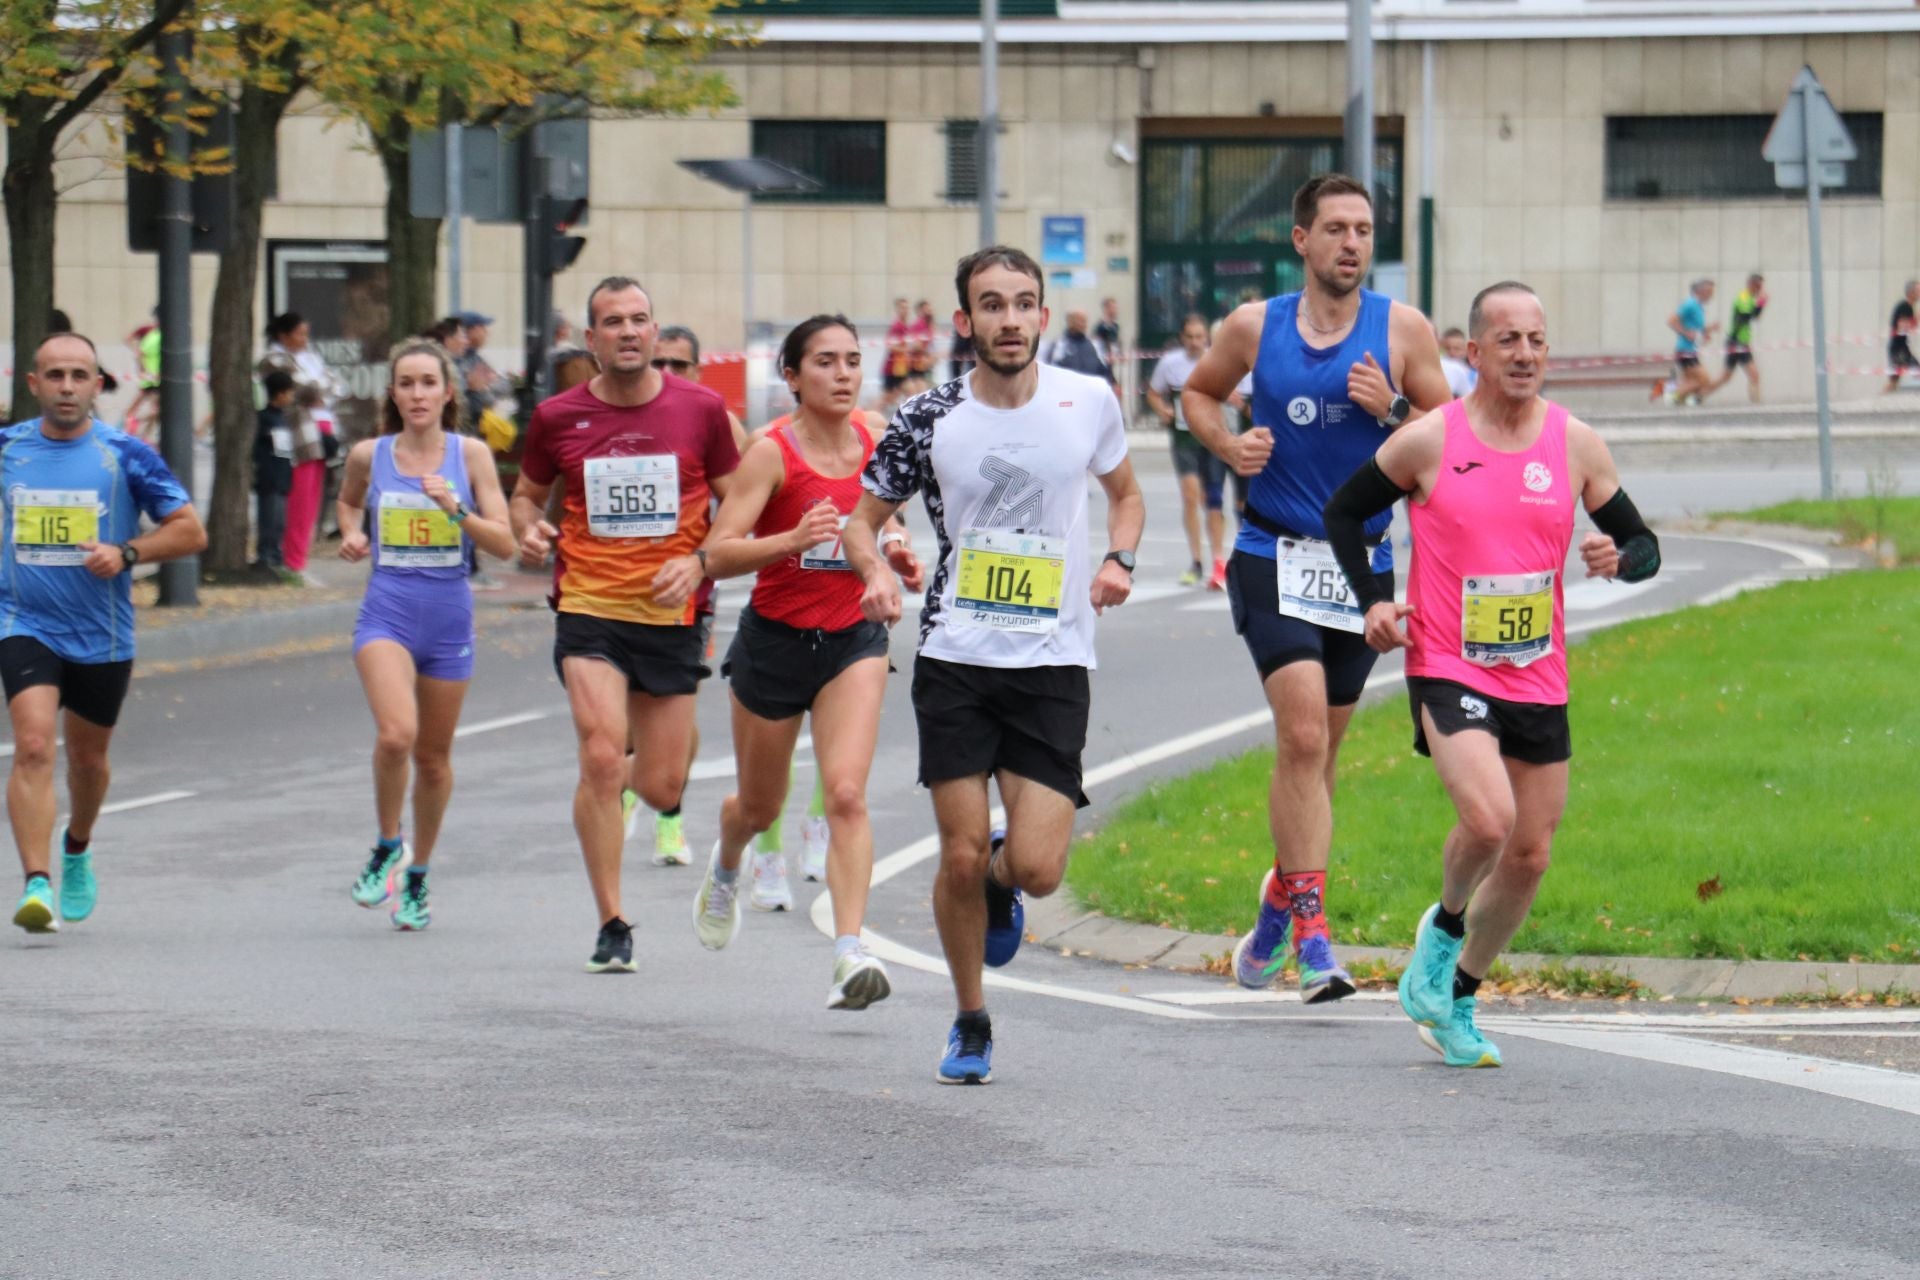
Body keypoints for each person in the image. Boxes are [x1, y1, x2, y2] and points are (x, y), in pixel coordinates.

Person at [1321, 280, 1662, 1067]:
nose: (1525, 353)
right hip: (1447, 661)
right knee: (1487, 820)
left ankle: (1459, 999)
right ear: (1473, 354)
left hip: (1538, 672)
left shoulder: (1574, 443)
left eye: (1537, 339)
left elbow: (1641, 544)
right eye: (1508, 339)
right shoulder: (1430, 438)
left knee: (1532, 852)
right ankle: (1441, 934)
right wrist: (1374, 601)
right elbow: (1346, 512)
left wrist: (1623, 557)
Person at [846, 245, 1144, 1085]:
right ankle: (970, 1018)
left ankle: (1008, 877)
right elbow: (860, 522)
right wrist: (873, 570)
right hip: (957, 655)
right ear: (964, 321)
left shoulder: (1085, 399)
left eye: (1023, 303)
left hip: (1053, 658)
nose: (1009, 319)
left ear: (1043, 317)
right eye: (992, 305)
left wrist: (1120, 558)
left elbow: (1126, 492)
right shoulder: (928, 416)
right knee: (960, 853)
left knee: (1038, 872)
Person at [1180, 172, 1450, 1004]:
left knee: (1321, 762)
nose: (1352, 244)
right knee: (1300, 740)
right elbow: (1195, 393)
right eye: (1336, 228)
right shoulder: (1254, 327)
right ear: (1302, 240)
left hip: (1359, 567)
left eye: (1364, 230)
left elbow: (1453, 442)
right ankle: (1314, 940)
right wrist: (1228, 448)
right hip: (1272, 552)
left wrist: (1396, 407)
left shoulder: (1403, 330)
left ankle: (1273, 907)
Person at [693, 316, 925, 1008]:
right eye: (825, 362)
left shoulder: (878, 438)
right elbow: (716, 553)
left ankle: (850, 952)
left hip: (854, 635)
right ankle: (728, 860)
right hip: (775, 641)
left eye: (853, 360)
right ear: (792, 376)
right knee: (759, 806)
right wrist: (791, 538)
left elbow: (885, 518)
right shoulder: (771, 454)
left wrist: (898, 549)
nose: (844, 374)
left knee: (847, 792)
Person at [511, 277, 740, 973]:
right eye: (614, 322)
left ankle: (613, 792)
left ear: (655, 328)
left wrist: (703, 560)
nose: (630, 332)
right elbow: (526, 495)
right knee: (603, 753)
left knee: (663, 785)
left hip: (670, 613)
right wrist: (528, 528)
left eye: (640, 319)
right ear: (592, 339)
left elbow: (740, 500)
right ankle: (612, 919)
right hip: (588, 608)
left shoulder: (701, 410)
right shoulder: (557, 416)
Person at [5, 333, 207, 933]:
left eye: (79, 375)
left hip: (101, 633)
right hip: (22, 621)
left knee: (89, 761)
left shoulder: (126, 454)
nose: (68, 386)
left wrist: (126, 551)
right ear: (34, 384)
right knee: (36, 745)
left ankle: (77, 844)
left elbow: (190, 532)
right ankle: (36, 883)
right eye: (56, 375)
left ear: (98, 384)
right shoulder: (6, 451)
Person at [335, 340, 515, 930]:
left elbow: (506, 545)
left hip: (448, 621)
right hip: (385, 613)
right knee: (396, 736)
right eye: (405, 384)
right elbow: (347, 500)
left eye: (427, 384)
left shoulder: (471, 456)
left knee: (433, 760)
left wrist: (456, 511)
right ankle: (388, 844)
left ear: (446, 393)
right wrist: (353, 534)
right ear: (393, 393)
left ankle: (417, 877)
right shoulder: (371, 453)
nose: (416, 394)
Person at [622, 323, 748, 870]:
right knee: (627, 710)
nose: (669, 373)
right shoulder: (626, 415)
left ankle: (668, 813)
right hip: (615, 586)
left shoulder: (719, 422)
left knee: (674, 705)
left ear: (699, 371)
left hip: (687, 592)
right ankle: (631, 780)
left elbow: (751, 500)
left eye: (681, 365)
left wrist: (712, 557)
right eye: (662, 363)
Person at [1146, 313, 1230, 589]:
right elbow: (1153, 393)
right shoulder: (1170, 363)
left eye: (1199, 337)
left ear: (1206, 337)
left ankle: (1219, 561)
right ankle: (1196, 561)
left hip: (1212, 436)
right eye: (1190, 337)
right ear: (1182, 338)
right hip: (1184, 439)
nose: (1195, 342)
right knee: (1190, 495)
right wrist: (1164, 410)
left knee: (1214, 499)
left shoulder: (1217, 358)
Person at [262, 312, 343, 583]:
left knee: (312, 500)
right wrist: (319, 386)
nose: (305, 340)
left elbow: (335, 384)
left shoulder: (311, 358)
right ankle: (291, 561)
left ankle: (300, 558)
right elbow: (307, 389)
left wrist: (320, 386)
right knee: (297, 500)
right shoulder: (274, 360)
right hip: (300, 435)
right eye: (300, 334)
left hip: (320, 431)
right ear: (283, 336)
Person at [253, 369, 297, 576]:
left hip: (282, 476)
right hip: (269, 477)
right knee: (269, 519)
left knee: (280, 521)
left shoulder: (284, 419)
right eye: (289, 393)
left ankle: (276, 555)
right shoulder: (264, 418)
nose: (291, 397)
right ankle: (265, 556)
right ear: (280, 394)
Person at [1653, 279, 1716, 405]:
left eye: (1712, 292)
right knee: (1704, 381)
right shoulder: (1690, 304)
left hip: (1692, 350)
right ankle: (1670, 394)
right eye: (1709, 292)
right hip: (1685, 351)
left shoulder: (1698, 307)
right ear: (1700, 291)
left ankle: (1682, 403)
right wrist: (1687, 333)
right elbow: (1671, 320)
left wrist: (1707, 332)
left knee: (1693, 381)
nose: (1711, 295)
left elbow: (1695, 329)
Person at [1706, 273, 1767, 403]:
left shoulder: (1749, 298)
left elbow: (1754, 317)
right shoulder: (1743, 298)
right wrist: (1761, 303)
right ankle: (1756, 405)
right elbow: (1747, 317)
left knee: (1725, 377)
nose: (1760, 290)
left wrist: (1760, 304)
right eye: (1759, 287)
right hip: (1737, 341)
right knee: (1754, 375)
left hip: (1739, 341)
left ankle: (1699, 396)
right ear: (1751, 284)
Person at [1044, 309, 1118, 392]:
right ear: (1070, 322)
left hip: (1091, 394)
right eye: (1080, 320)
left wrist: (1112, 383)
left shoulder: (1095, 345)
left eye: (1085, 321)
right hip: (1067, 395)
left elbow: (1105, 370)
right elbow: (1050, 370)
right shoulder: (1059, 345)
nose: (1084, 324)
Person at [1884, 280, 1919, 393]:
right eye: (1918, 290)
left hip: (1899, 346)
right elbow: (1902, 327)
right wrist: (1917, 318)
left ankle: (1880, 401)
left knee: (1894, 380)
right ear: (1911, 292)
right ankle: (1878, 403)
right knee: (1915, 371)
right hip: (1899, 348)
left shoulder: (1907, 306)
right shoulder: (1905, 306)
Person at [883, 297, 914, 406]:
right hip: (893, 368)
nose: (905, 310)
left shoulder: (905, 326)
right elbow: (890, 345)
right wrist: (906, 350)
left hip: (901, 368)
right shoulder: (897, 326)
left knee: (907, 392)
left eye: (907, 308)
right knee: (887, 398)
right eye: (902, 308)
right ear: (897, 310)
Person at [1439, 326, 1476, 398]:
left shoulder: (1475, 375)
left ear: (1466, 350)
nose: (1452, 352)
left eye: (1457, 349)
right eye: (1447, 348)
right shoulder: (1440, 373)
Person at [1093, 296, 1122, 367]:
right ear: (1106, 309)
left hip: (1110, 363)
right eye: (1113, 308)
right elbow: (1096, 344)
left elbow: (1116, 342)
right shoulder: (1100, 327)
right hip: (1101, 363)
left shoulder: (1115, 326)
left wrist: (1119, 354)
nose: (1115, 311)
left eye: (1116, 308)